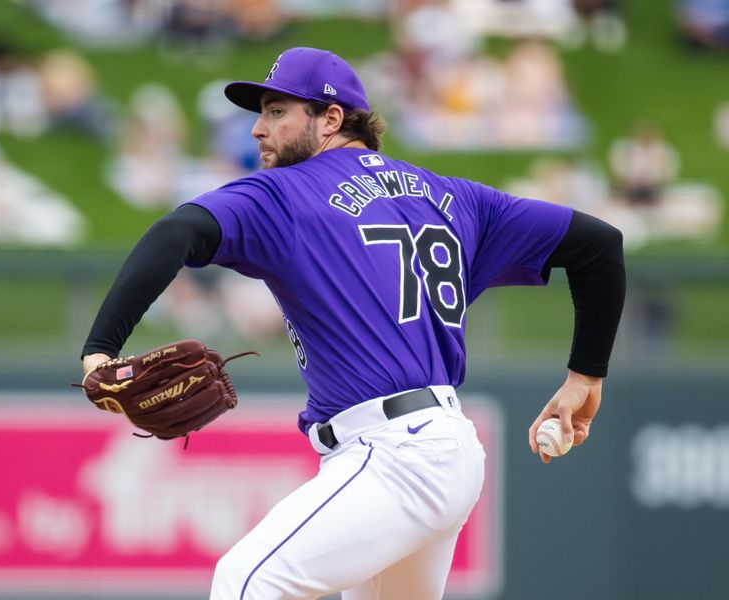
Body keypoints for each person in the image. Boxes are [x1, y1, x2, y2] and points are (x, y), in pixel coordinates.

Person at [81, 47, 625, 600]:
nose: (257, 130)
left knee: (246, 582)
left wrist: (101, 349)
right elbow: (599, 246)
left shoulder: (286, 194)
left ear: (331, 119)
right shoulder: (455, 197)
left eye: (275, 111)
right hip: (444, 449)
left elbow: (174, 234)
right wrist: (585, 378)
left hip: (393, 455)